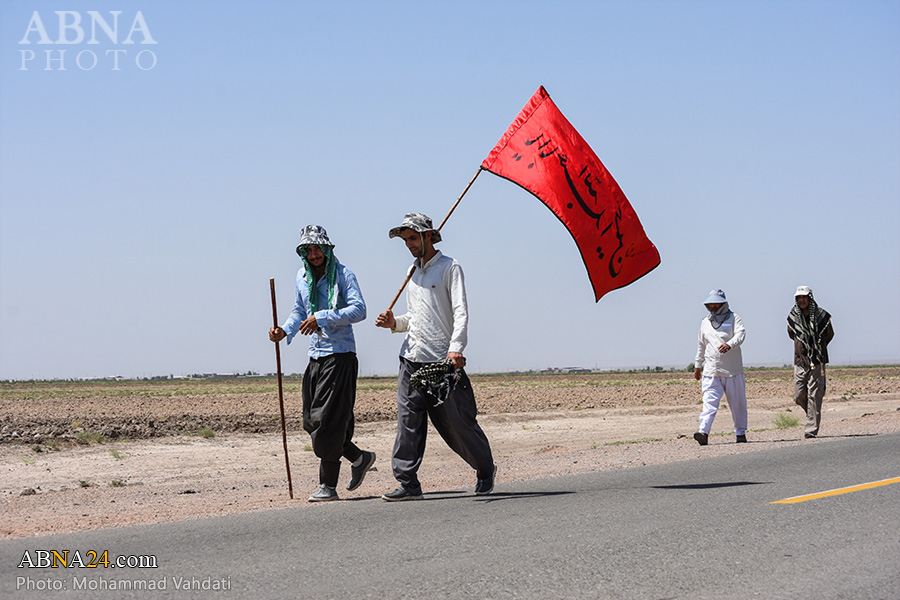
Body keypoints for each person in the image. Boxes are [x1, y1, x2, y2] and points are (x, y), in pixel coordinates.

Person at [375, 213, 496, 500]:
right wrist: (394, 323)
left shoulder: (449, 268)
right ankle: (408, 483)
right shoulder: (411, 272)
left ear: (429, 236)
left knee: (457, 422)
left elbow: (461, 312)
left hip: (441, 360)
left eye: (413, 238)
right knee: (408, 420)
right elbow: (415, 319)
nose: (409, 245)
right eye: (405, 240)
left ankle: (485, 468)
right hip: (410, 357)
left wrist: (457, 348)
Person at [269, 225, 376, 502]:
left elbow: (359, 309)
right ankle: (358, 457)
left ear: (328, 249)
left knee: (327, 421)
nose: (314, 254)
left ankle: (328, 485)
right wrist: (284, 331)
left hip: (339, 354)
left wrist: (323, 316)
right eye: (308, 250)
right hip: (315, 355)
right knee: (310, 421)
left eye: (318, 249)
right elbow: (299, 311)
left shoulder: (343, 274)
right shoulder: (301, 277)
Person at [692, 289, 748, 445]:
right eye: (710, 303)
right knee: (709, 403)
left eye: (716, 302)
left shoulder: (734, 318)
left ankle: (740, 433)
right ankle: (703, 432)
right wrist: (698, 365)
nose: (713, 306)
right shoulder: (705, 322)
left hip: (732, 371)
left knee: (738, 404)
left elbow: (741, 334)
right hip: (711, 371)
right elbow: (701, 345)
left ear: (723, 303)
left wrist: (729, 345)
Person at [787, 285, 834, 439]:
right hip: (800, 361)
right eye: (799, 298)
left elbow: (829, 335)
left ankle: (811, 429)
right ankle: (812, 413)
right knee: (800, 395)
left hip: (817, 361)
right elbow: (791, 335)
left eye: (804, 297)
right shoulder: (793, 317)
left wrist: (817, 349)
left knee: (814, 394)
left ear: (810, 298)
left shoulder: (821, 316)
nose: (802, 300)